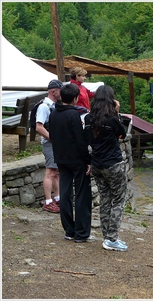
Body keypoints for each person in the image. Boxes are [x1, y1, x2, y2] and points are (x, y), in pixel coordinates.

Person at [83, 85, 128, 252]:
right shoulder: (112, 118)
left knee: (105, 199)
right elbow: (122, 133)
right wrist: (118, 113)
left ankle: (107, 236)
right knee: (118, 200)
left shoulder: (89, 118)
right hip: (114, 164)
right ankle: (112, 238)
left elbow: (86, 139)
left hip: (97, 164)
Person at [49, 83, 93, 243]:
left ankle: (69, 230)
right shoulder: (73, 115)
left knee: (65, 193)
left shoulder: (53, 113)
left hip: (61, 158)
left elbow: (52, 135)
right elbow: (80, 140)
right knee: (82, 195)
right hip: (76, 160)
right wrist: (87, 160)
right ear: (75, 99)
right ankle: (81, 233)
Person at [36, 79, 63, 213]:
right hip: (49, 144)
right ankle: (48, 201)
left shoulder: (53, 105)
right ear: (53, 91)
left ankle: (57, 198)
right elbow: (39, 127)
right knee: (50, 172)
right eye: (60, 91)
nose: (62, 94)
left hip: (54, 144)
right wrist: (53, 139)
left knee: (56, 172)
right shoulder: (44, 106)